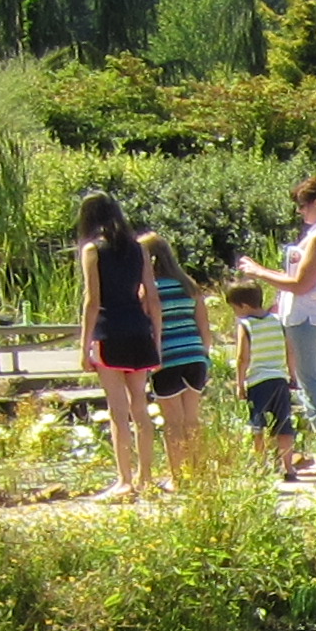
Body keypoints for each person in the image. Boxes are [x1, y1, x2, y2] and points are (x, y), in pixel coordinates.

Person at [234, 176, 316, 479]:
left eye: (303, 205)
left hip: (310, 322)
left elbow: (301, 284)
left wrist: (258, 272)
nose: (301, 212)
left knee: (313, 386)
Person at [71, 191, 161, 501]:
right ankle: (146, 477)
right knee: (141, 407)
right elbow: (151, 296)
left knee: (117, 411)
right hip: (139, 330)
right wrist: (157, 341)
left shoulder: (93, 250)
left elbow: (91, 301)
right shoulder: (138, 249)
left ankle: (124, 480)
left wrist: (83, 346)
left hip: (109, 332)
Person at [140, 229, 210, 480]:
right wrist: (205, 355)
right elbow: (204, 326)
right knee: (192, 420)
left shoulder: (148, 290)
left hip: (167, 358)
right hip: (194, 356)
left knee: (173, 422)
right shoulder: (189, 285)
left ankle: (178, 477)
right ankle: (198, 472)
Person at [229, 285, 300, 475]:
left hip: (258, 382)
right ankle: (288, 466)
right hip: (279, 379)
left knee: (258, 425)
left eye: (235, 309)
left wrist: (240, 383)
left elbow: (242, 358)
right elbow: (290, 350)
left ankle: (261, 465)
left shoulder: (246, 325)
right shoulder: (278, 321)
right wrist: (292, 375)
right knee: (284, 423)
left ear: (243, 305)